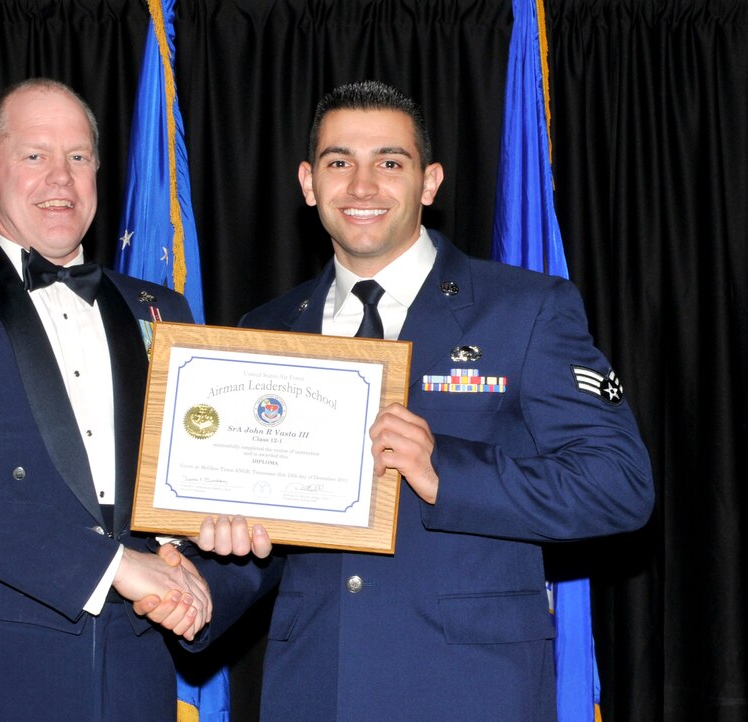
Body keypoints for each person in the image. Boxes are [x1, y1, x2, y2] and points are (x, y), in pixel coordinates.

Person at [142, 80, 654, 720]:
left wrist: (447, 471)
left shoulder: (526, 310)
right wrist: (205, 587)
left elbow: (620, 485)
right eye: (338, 163)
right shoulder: (265, 330)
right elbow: (275, 537)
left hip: (470, 689)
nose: (362, 186)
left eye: (390, 162)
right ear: (309, 183)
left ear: (429, 182)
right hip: (313, 690)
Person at [0, 78, 214, 720]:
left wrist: (198, 574)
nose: (61, 177)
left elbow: (193, 485)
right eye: (35, 155)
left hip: (133, 679)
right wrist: (115, 566)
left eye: (79, 157)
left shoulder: (162, 310)